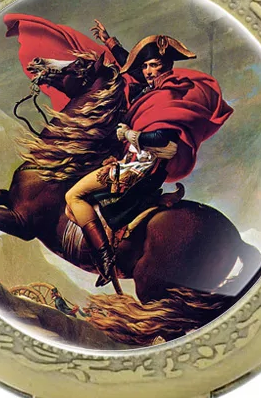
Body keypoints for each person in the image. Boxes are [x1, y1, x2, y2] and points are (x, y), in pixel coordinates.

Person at [63, 20, 233, 287]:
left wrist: (129, 135)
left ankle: (105, 262)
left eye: (154, 65)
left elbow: (162, 140)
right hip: (134, 163)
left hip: (138, 170)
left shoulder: (168, 95)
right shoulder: (156, 89)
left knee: (73, 196)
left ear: (166, 66)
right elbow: (130, 66)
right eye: (145, 66)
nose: (148, 71)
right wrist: (110, 42)